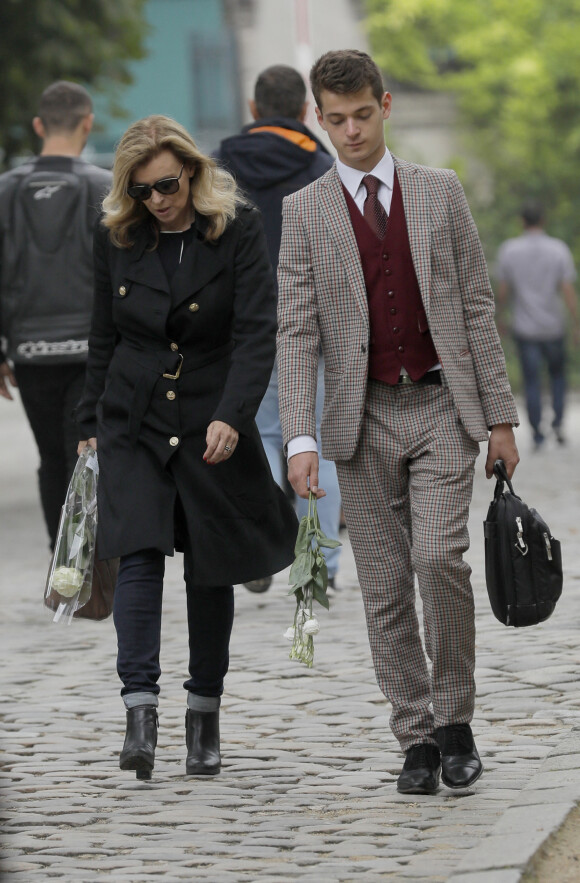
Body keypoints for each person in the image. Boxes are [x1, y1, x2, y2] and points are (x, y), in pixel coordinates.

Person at [277, 50, 520, 795]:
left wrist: (502, 418)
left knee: (439, 559)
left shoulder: (439, 192)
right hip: (361, 417)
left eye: (362, 114)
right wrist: (299, 434)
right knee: (383, 585)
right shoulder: (304, 210)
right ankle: (414, 736)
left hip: (443, 406)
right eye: (336, 119)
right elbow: (296, 329)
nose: (351, 131)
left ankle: (456, 722)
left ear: (385, 105)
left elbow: (476, 306)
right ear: (320, 117)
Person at [75, 115, 297, 780]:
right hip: (134, 412)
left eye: (167, 185)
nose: (158, 200)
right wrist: (89, 419)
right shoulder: (116, 236)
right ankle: (138, 713)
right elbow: (102, 335)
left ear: (193, 173)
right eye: (142, 190)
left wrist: (235, 414)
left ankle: (204, 714)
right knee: (137, 553)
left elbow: (258, 332)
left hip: (209, 412)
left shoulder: (237, 228)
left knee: (210, 562)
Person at [215, 64, 342, 593]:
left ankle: (266, 547)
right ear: (307, 112)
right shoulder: (321, 166)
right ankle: (320, 565)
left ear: (253, 110)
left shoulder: (217, 168)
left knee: (263, 434)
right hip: (311, 321)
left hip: (241, 323)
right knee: (316, 439)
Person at [0, 81, 112, 549]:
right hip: (93, 351)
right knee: (86, 452)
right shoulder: (104, 187)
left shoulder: (5, 191)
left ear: (39, 126)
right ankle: (84, 563)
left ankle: (62, 562)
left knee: (51, 456)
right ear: (88, 123)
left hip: (29, 349)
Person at [495, 201, 579, 449]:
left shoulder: (509, 250)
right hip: (554, 325)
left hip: (525, 326)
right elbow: (567, 290)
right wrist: (576, 323)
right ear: (543, 221)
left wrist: (501, 317)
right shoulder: (558, 249)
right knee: (557, 376)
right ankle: (558, 423)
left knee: (531, 380)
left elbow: (503, 291)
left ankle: (537, 433)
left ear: (522, 221)